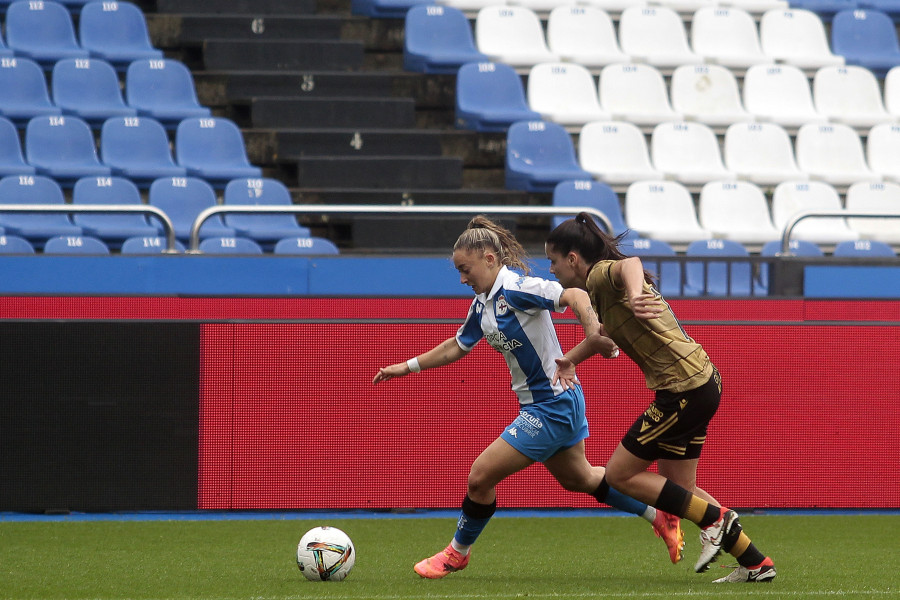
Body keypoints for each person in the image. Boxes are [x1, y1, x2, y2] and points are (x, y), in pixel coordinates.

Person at [372, 216, 684, 579]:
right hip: (550, 403)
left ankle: (457, 553)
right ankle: (660, 514)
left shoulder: (518, 288)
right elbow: (457, 346)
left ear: (490, 259)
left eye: (465, 269)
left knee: (479, 476)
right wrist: (406, 366)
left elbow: (575, 294)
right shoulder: (483, 304)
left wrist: (591, 330)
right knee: (581, 479)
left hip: (552, 405)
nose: (462, 278)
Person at [543, 212, 776, 584]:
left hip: (683, 390)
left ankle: (717, 521)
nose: (551, 269)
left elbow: (630, 263)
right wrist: (571, 359)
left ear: (572, 259)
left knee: (618, 474)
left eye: (553, 261)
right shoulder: (602, 294)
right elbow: (605, 336)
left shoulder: (602, 273)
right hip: (701, 383)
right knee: (680, 491)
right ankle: (755, 562)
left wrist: (635, 295)